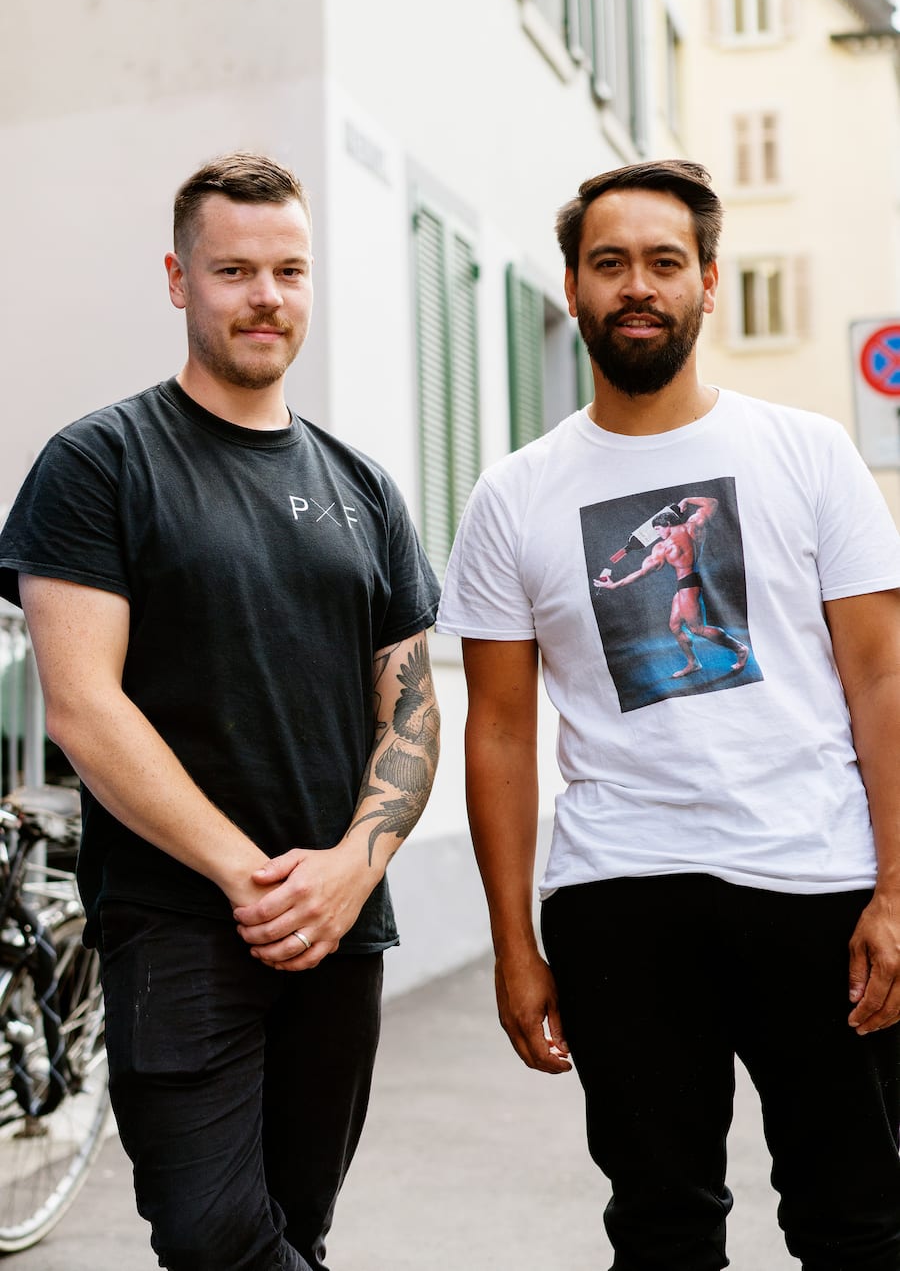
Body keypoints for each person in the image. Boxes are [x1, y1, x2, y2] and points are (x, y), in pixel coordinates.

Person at [436, 159, 900, 1269]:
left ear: (709, 282)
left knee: (860, 1221)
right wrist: (512, 944)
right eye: (610, 263)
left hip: (817, 883)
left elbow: (883, 679)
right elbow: (498, 728)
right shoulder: (514, 494)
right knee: (660, 1230)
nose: (637, 285)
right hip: (619, 898)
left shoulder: (809, 453)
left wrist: (897, 888)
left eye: (663, 261)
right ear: (572, 287)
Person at [0, 152, 441, 1271]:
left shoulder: (364, 488)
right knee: (215, 1238)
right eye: (233, 269)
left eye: (289, 270)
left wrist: (347, 870)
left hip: (340, 925)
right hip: (177, 921)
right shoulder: (101, 461)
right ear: (178, 279)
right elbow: (83, 706)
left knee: (298, 1229)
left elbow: (411, 710)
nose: (265, 296)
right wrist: (251, 876)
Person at [594, 495, 749, 678]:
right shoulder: (694, 524)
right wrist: (687, 500)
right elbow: (712, 503)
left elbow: (642, 573)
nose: (657, 534)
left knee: (697, 629)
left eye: (658, 529)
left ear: (667, 524)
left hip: (689, 584)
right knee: (675, 625)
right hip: (688, 582)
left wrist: (614, 585)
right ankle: (693, 663)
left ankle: (740, 649)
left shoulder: (664, 547)